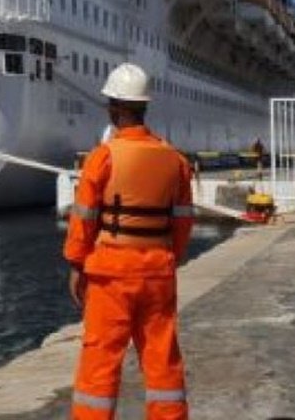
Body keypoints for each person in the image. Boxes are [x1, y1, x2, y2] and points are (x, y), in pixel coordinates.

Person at [64, 62, 194, 419]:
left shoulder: (102, 157)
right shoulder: (176, 160)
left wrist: (77, 264)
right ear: (143, 107)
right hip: (157, 272)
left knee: (100, 362)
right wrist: (168, 258)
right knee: (163, 360)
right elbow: (183, 221)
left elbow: (83, 219)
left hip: (110, 275)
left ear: (115, 107)